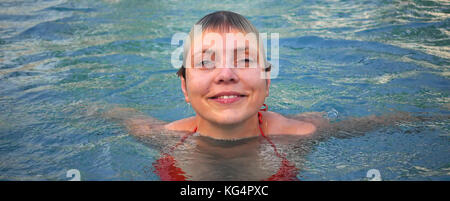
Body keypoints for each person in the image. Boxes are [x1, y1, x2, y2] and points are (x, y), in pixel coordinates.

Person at [105, 11, 434, 181]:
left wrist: (424, 118)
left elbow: (373, 124)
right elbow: (120, 116)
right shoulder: (163, 138)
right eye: (206, 62)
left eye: (245, 60)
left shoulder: (301, 133)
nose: (226, 74)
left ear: (267, 81)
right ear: (184, 87)